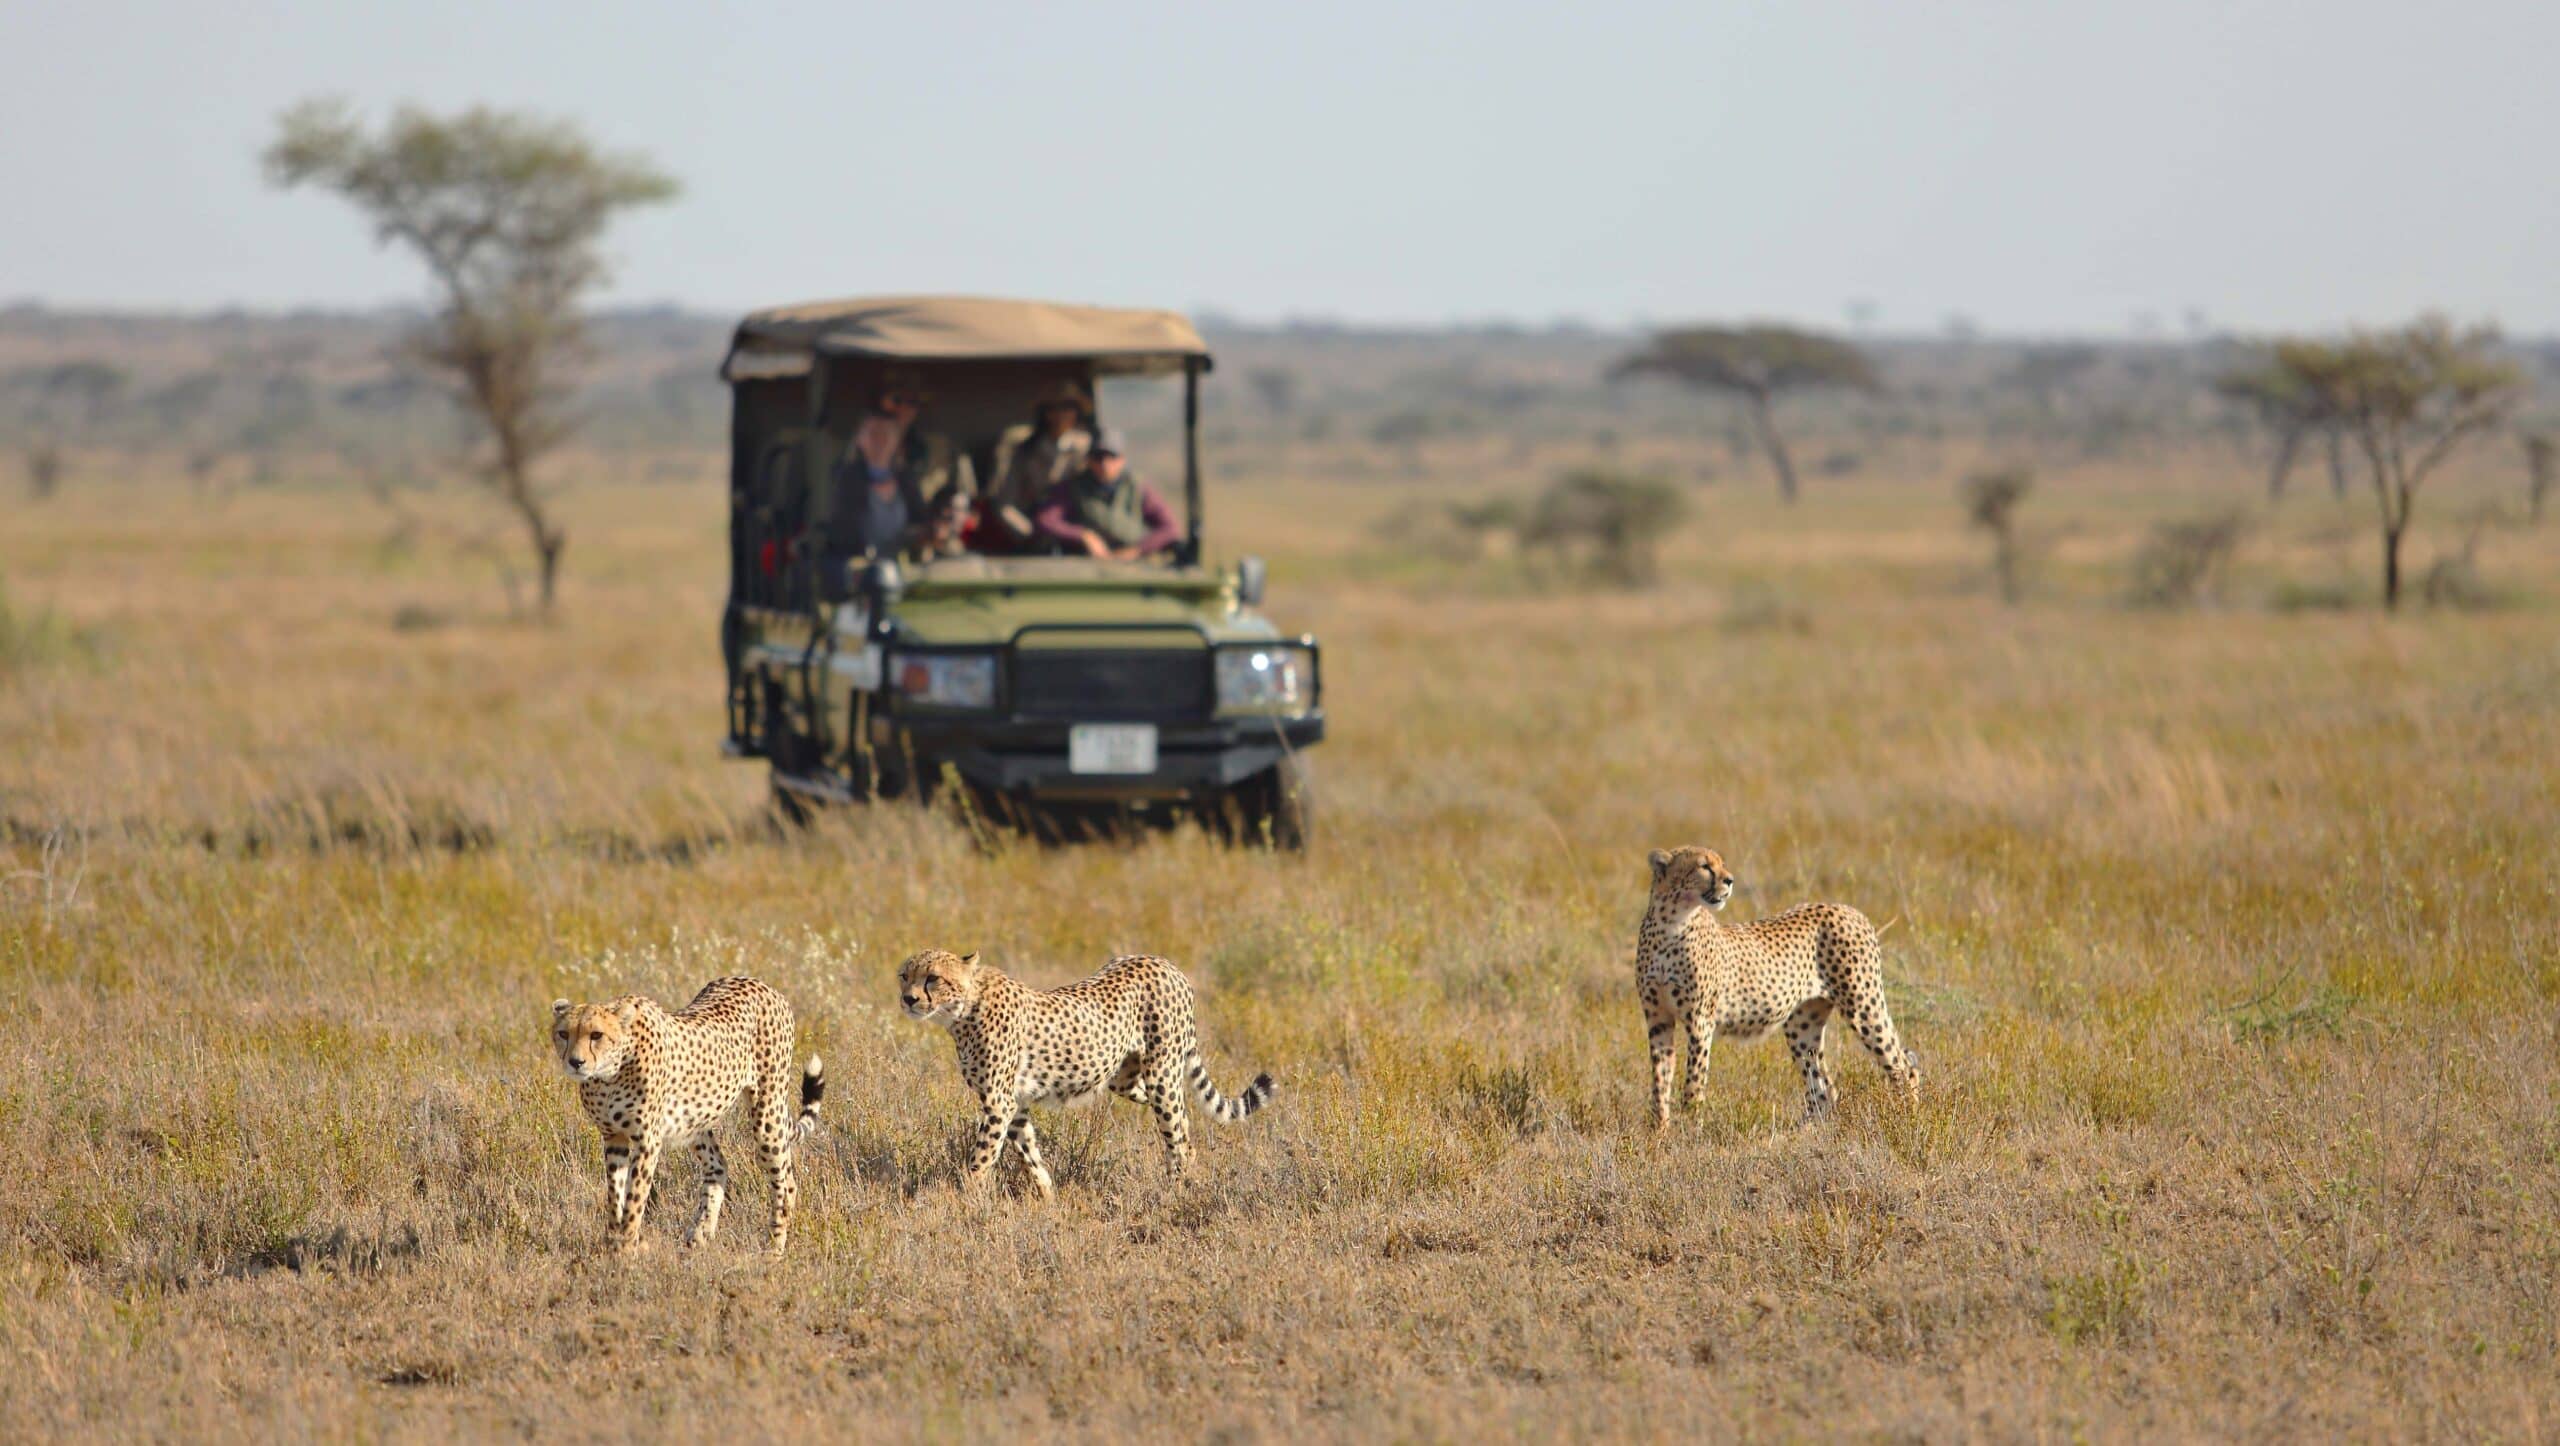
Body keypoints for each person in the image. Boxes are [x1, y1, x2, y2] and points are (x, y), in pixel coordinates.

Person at [1035, 427, 1181, 560]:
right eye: (1099, 458)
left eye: (1112, 457)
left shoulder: (1138, 487)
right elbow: (1046, 520)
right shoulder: (1072, 487)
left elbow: (1170, 528)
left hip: (1135, 565)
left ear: (1122, 460)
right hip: (1086, 565)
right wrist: (1084, 536)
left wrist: (1137, 550)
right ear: (1089, 460)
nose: (1105, 464)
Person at [980, 382, 1093, 550]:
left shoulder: (1085, 447)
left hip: (1073, 531)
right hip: (1031, 529)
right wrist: (1029, 533)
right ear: (1046, 413)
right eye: (1056, 408)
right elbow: (1004, 502)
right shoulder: (1025, 450)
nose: (1064, 415)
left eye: (1070, 408)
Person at [822, 405, 925, 572]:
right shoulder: (843, 479)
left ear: (897, 440)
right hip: (853, 570)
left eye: (886, 434)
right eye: (873, 433)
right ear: (860, 440)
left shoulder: (906, 479)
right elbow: (837, 529)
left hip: (898, 569)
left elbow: (920, 520)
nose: (880, 440)